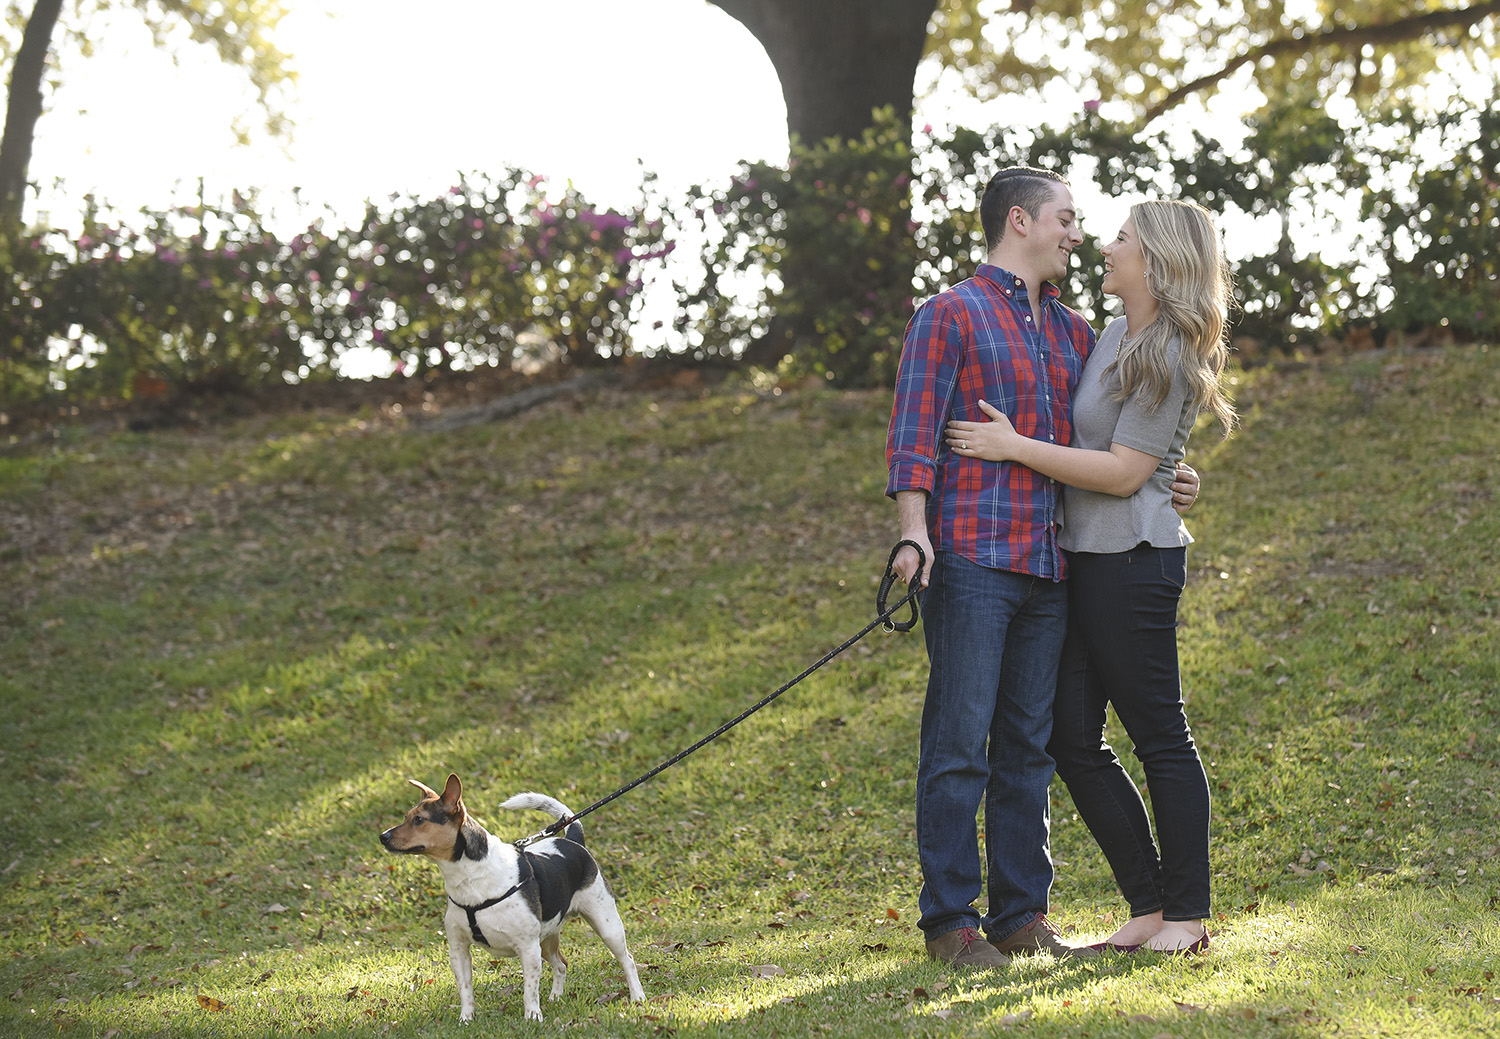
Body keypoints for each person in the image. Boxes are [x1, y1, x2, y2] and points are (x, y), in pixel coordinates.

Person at [884, 167, 1200, 969]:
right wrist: (913, 534)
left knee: (1029, 744)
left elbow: (1108, 445)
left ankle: (1020, 914)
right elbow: (913, 435)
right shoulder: (948, 315)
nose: (1078, 234)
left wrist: (1170, 473)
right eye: (1065, 217)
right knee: (960, 742)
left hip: (1053, 564)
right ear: (1020, 220)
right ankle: (950, 922)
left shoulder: (1075, 331)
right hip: (973, 563)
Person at [944, 198, 1236, 954]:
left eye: (1121, 239)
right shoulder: (1110, 335)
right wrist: (1168, 467)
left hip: (1135, 565)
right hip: (1086, 563)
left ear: (1157, 260)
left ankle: (1188, 915)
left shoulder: (1168, 350)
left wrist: (1015, 447)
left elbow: (1121, 471)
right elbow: (1131, 454)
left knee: (1160, 735)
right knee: (1072, 738)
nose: (1103, 247)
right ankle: (1147, 903)